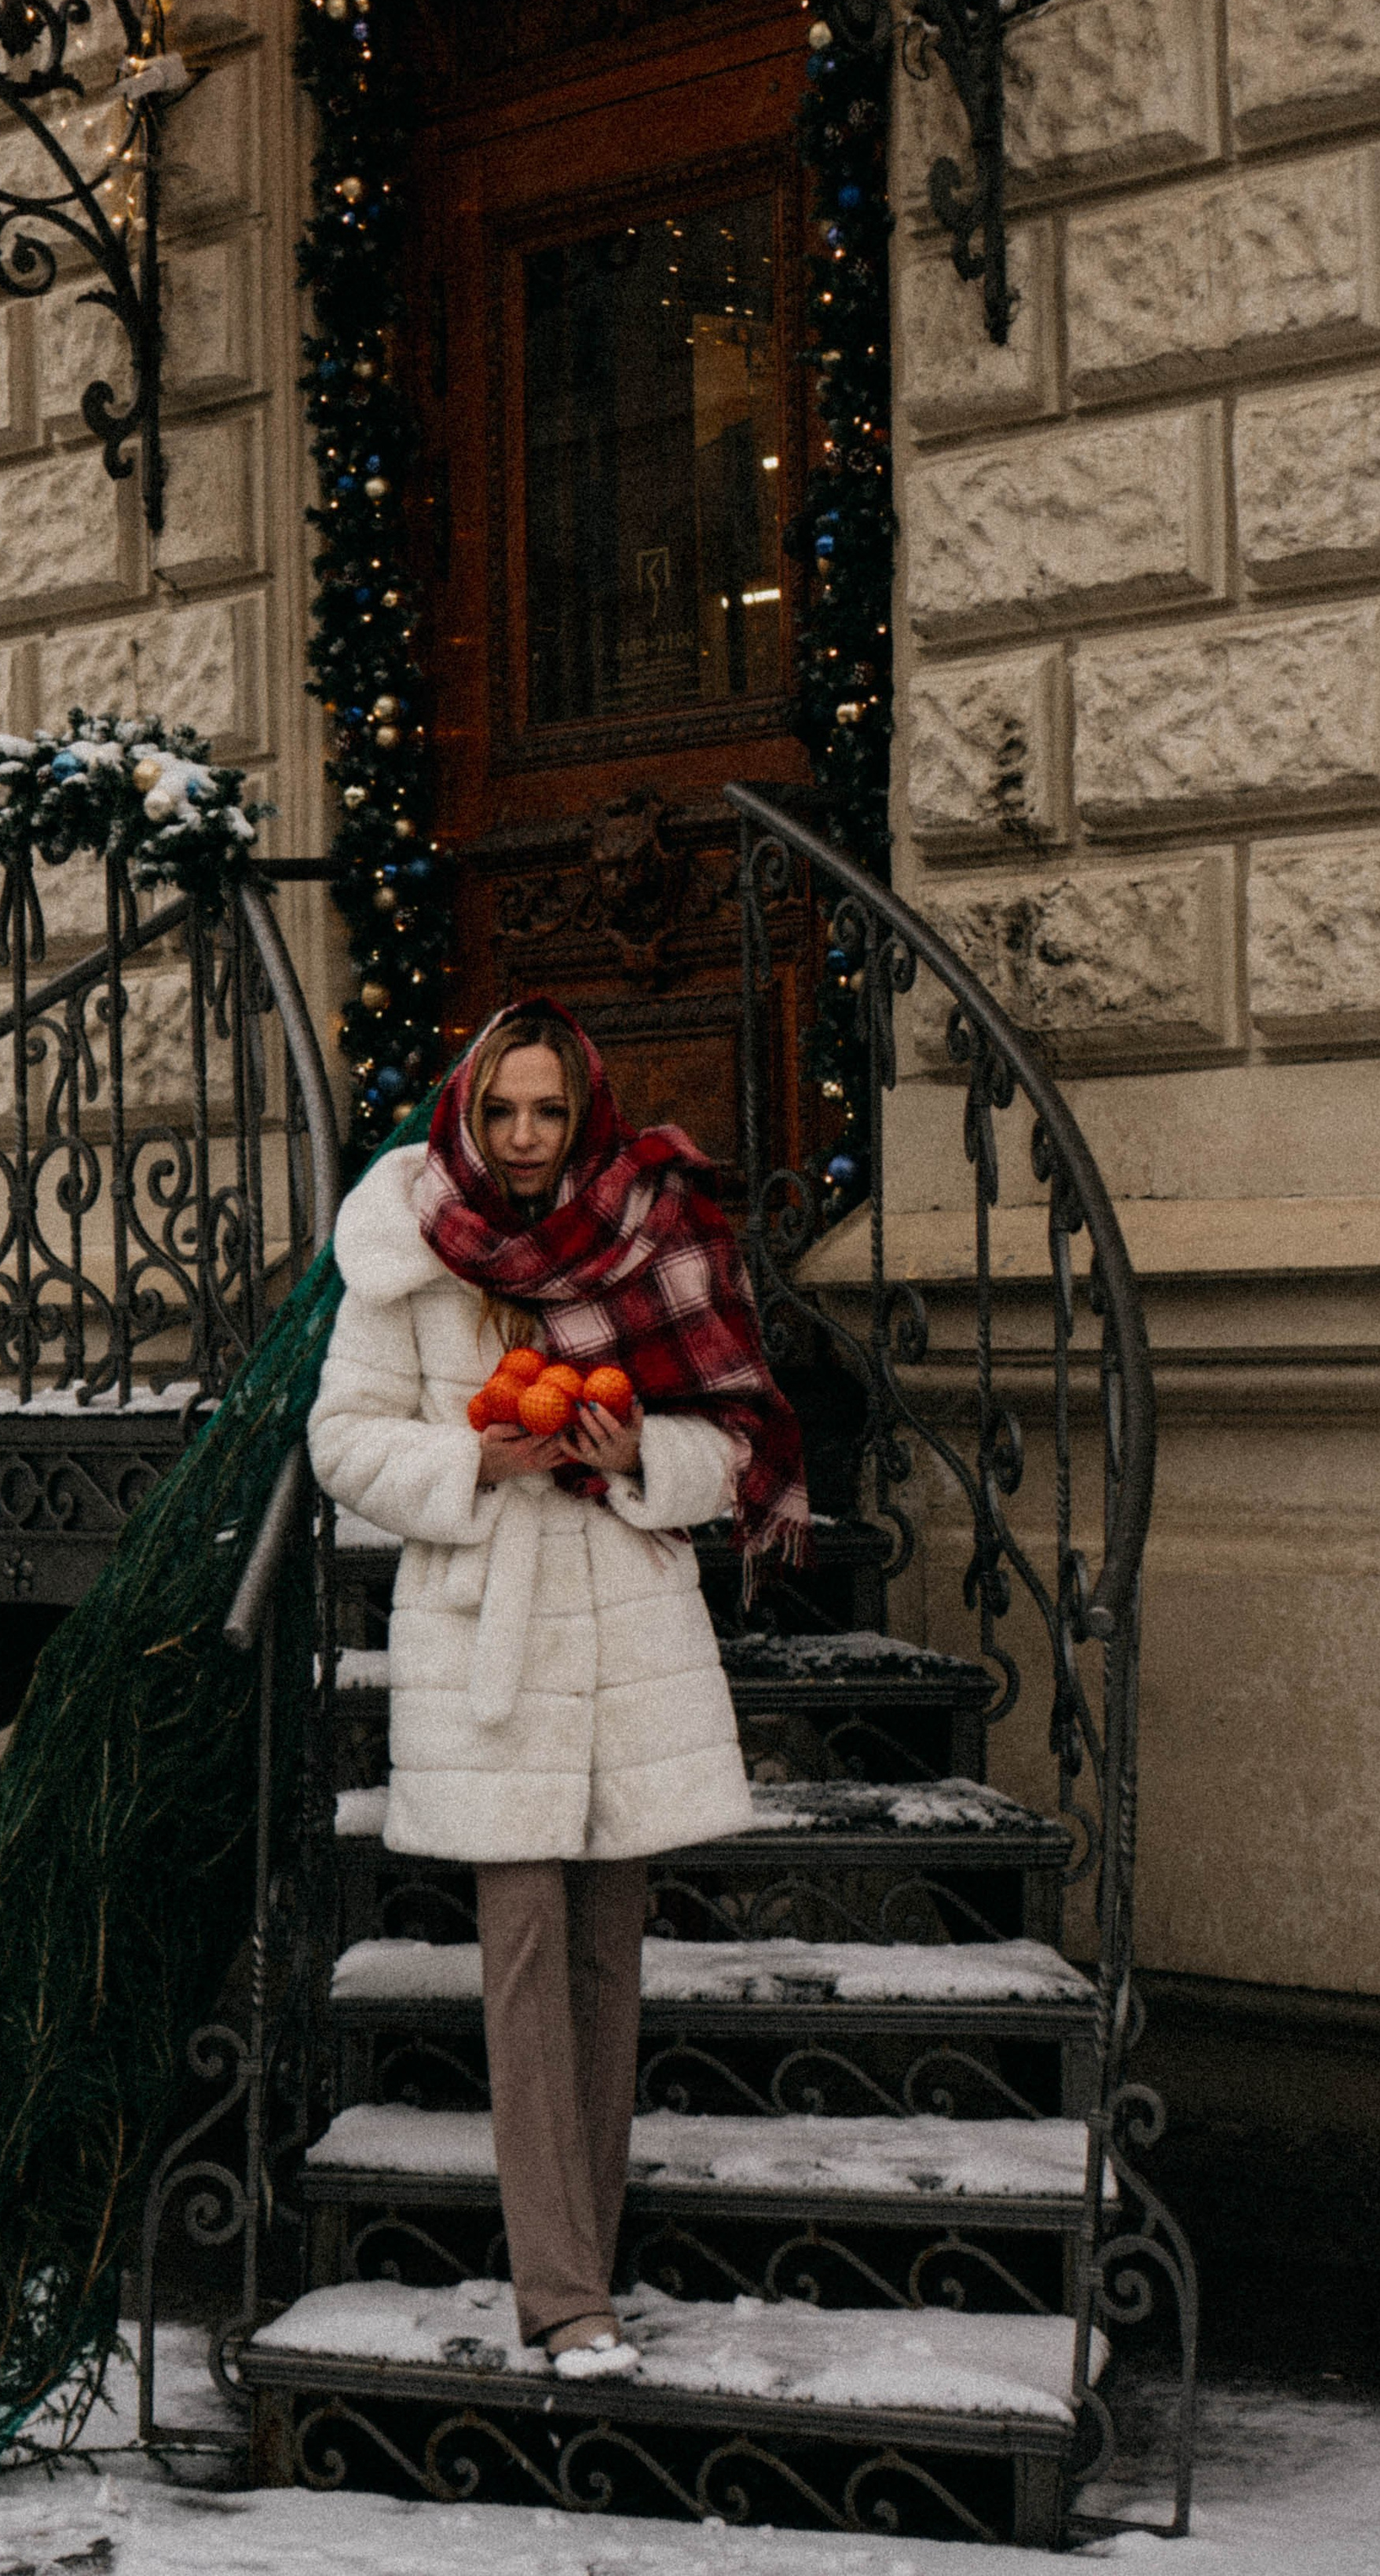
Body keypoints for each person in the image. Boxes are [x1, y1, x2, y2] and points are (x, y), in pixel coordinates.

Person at [307, 994, 811, 2376]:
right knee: (523, 1968)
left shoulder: (655, 1237)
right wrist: (473, 1461)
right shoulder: (409, 1250)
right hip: (495, 1634)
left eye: (548, 1110)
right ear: (467, 1114)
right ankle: (564, 2294)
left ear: (583, 1113)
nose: (525, 1137)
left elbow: (735, 1442)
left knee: (608, 1970)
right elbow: (342, 1440)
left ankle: (583, 2263)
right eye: (501, 1110)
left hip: (629, 1628)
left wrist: (639, 1450)